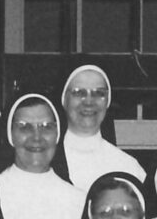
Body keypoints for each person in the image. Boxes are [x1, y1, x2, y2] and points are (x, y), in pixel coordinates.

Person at [0, 94, 87, 219]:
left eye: (47, 127)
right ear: (10, 135)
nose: (37, 137)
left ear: (58, 134)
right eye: (24, 127)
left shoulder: (78, 200)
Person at [53, 62, 144, 196]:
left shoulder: (128, 166)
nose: (89, 101)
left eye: (99, 93)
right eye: (79, 92)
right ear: (64, 99)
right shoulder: (44, 161)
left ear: (107, 101)